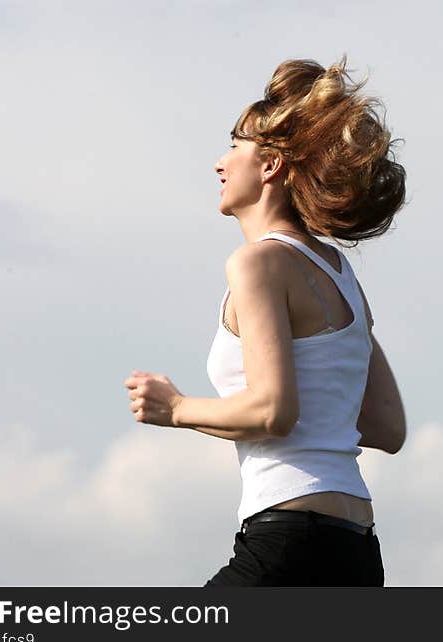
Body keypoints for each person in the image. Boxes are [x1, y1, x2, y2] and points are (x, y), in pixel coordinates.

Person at [123, 56, 406, 586]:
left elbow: (274, 411)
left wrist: (177, 408)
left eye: (235, 145)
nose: (220, 163)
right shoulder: (342, 275)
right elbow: (387, 428)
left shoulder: (256, 263)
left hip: (288, 541)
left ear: (271, 166)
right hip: (357, 552)